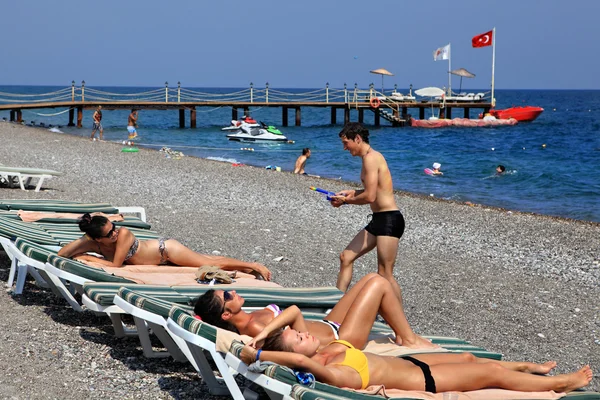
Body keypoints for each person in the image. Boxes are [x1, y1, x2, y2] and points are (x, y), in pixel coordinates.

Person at [241, 330, 592, 393]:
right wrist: (259, 354)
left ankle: (528, 367)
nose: (302, 333)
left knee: (469, 357)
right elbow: (290, 357)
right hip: (424, 383)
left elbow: (294, 312)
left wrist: (265, 337)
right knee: (491, 371)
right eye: (298, 339)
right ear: (296, 357)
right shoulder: (327, 369)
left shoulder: (324, 350)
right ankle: (559, 384)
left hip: (415, 363)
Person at [194, 273, 436, 349]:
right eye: (227, 296)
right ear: (226, 315)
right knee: (380, 285)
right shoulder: (255, 329)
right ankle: (408, 339)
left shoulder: (250, 317)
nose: (232, 292)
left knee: (373, 277)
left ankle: (404, 334)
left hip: (329, 324)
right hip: (341, 340)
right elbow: (296, 316)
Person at [57, 213, 271, 280]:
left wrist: (87, 257)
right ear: (97, 239)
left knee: (210, 262)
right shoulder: (94, 240)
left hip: (166, 250)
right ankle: (248, 270)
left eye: (114, 228)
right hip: (162, 259)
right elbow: (62, 253)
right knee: (206, 260)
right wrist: (83, 242)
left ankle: (253, 264)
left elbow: (115, 265)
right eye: (108, 233)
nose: (115, 232)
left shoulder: (123, 235)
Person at [329, 122, 404, 301]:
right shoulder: (367, 159)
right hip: (378, 220)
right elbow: (374, 191)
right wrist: (351, 193)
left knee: (385, 273)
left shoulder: (372, 158)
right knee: (346, 257)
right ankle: (335, 303)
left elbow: (370, 197)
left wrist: (346, 201)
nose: (344, 148)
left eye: (346, 143)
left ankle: (399, 320)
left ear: (358, 139)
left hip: (389, 220)